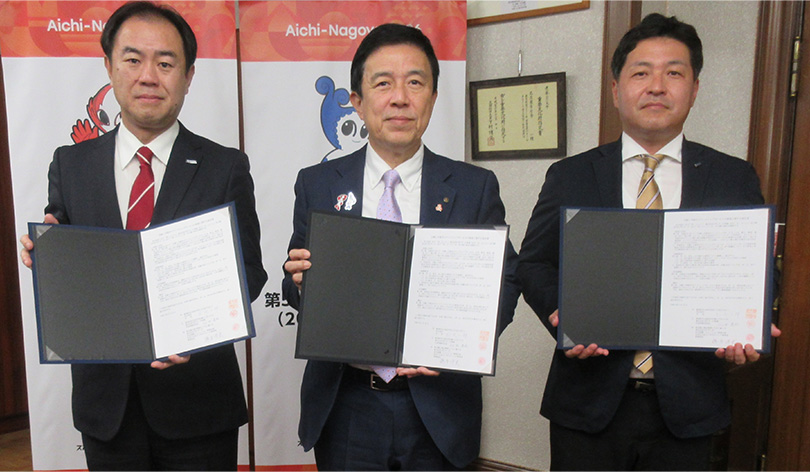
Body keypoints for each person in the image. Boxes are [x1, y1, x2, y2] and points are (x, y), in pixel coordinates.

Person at [517, 13, 781, 471]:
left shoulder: (732, 178)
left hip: (689, 406)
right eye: (641, 73)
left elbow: (756, 272)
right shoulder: (572, 175)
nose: (657, 86)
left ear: (694, 89)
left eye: (674, 73)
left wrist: (750, 322)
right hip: (587, 403)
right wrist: (562, 315)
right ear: (616, 89)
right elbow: (534, 264)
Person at [19, 2, 266, 469]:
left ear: (188, 76)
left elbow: (249, 275)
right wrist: (48, 253)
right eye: (133, 60)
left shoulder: (224, 167)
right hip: (106, 408)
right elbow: (65, 250)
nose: (148, 76)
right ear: (109, 67)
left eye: (166, 63)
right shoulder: (71, 165)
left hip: (199, 405)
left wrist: (195, 328)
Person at [282, 23, 520, 471]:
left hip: (439, 407)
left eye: (415, 82)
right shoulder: (318, 183)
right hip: (347, 405)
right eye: (383, 83)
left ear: (432, 97)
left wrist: (461, 342)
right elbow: (297, 285)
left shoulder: (473, 187)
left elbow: (505, 282)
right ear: (357, 101)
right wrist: (298, 281)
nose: (399, 98)